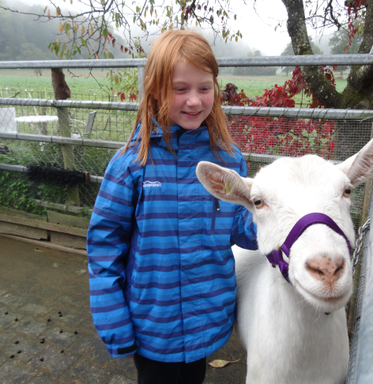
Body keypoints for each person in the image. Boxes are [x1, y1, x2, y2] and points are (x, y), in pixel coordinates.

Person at [86, 30, 258, 384]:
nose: (194, 100)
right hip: (152, 325)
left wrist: (283, 216)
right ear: (156, 89)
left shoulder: (228, 161)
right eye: (181, 89)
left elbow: (242, 227)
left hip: (207, 316)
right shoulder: (131, 165)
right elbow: (104, 247)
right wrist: (113, 320)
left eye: (204, 88)